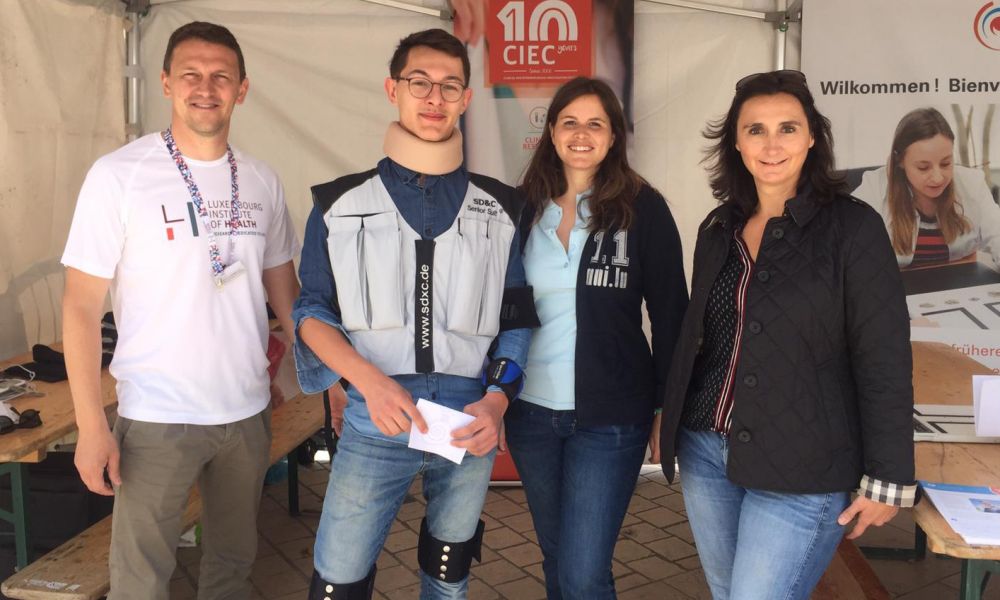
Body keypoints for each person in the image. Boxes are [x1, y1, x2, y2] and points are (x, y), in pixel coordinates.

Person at [293, 28, 535, 600]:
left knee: (448, 572)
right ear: (392, 89)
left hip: (467, 417)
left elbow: (517, 319)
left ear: (466, 100)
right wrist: (367, 383)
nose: (434, 98)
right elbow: (310, 313)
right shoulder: (337, 203)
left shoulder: (502, 207)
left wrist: (497, 401)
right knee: (338, 579)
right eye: (419, 82)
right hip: (374, 413)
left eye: (450, 86)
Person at [656, 70, 916, 600]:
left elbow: (883, 354)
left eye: (788, 128)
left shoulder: (852, 227)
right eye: (755, 130)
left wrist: (889, 476)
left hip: (805, 465)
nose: (771, 145)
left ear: (812, 136)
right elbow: (704, 340)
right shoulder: (717, 227)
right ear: (735, 140)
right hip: (707, 452)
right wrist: (670, 414)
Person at [61, 22, 300, 600]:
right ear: (166, 83)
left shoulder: (262, 180)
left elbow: (284, 293)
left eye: (222, 76)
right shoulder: (119, 176)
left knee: (232, 569)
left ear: (242, 89)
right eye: (191, 74)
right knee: (140, 581)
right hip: (155, 418)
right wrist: (92, 426)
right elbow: (80, 307)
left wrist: (311, 374)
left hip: (245, 413)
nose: (206, 87)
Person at [503, 77, 687, 600]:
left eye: (595, 124)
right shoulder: (521, 209)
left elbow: (672, 312)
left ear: (613, 138)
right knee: (558, 558)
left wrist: (664, 408)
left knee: (584, 573)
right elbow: (495, 312)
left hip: (610, 419)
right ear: (552, 133)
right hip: (530, 413)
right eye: (570, 122)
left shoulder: (642, 208)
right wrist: (493, 397)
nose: (581, 134)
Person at [852, 107, 1000, 270]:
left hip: (960, 289)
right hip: (892, 291)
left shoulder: (972, 183)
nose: (938, 177)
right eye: (923, 167)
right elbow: (840, 249)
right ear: (900, 161)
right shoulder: (874, 188)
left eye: (946, 163)